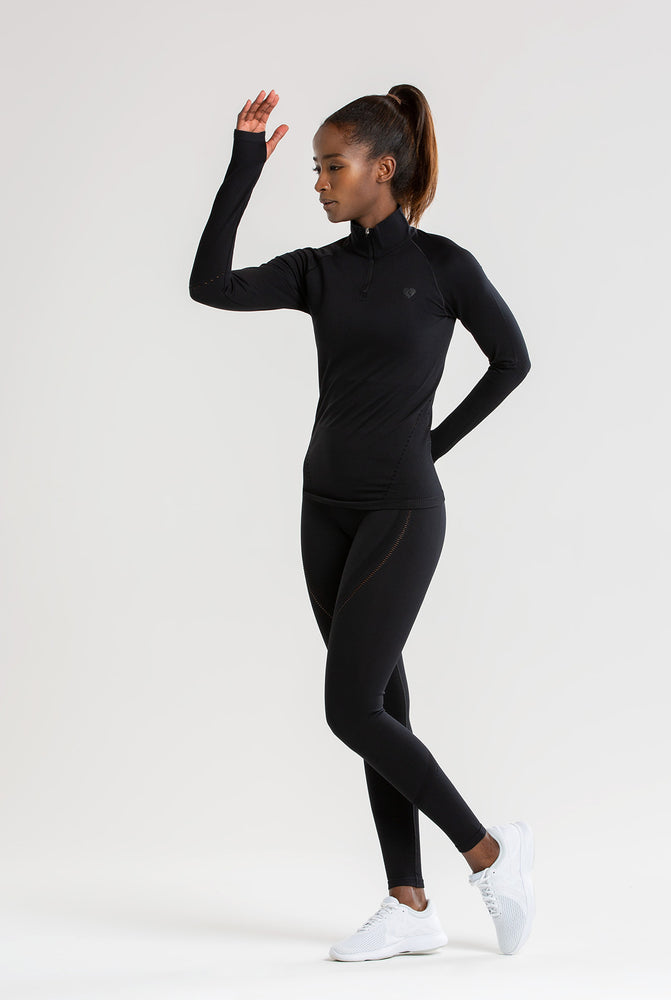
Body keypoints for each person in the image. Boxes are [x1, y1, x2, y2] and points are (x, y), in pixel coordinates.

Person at [189, 84, 535, 961]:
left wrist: (431, 446)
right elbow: (209, 285)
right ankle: (409, 904)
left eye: (330, 167)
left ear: (383, 168)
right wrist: (244, 166)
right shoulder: (319, 270)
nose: (319, 183)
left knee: (350, 709)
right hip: (324, 508)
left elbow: (512, 360)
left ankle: (491, 856)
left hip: (401, 510)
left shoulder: (445, 267)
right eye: (315, 169)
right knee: (381, 705)